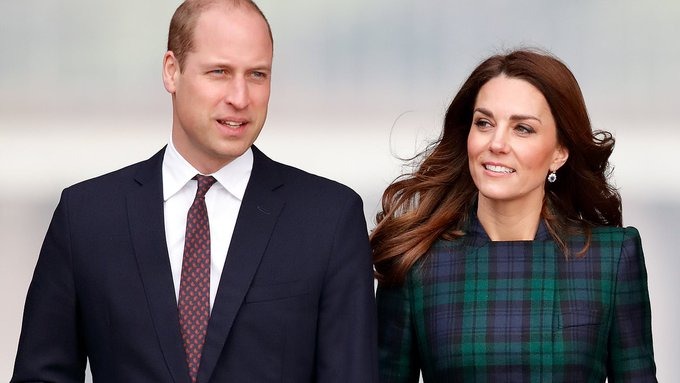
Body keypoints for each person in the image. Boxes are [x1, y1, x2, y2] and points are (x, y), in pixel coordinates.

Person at [11, 0, 378, 382]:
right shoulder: (86, 216)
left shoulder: (329, 219)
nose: (240, 97)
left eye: (256, 75)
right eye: (219, 72)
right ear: (172, 71)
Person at [371, 49, 656, 382]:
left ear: (559, 152)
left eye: (523, 128)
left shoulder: (610, 257)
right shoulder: (417, 261)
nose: (497, 143)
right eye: (484, 123)